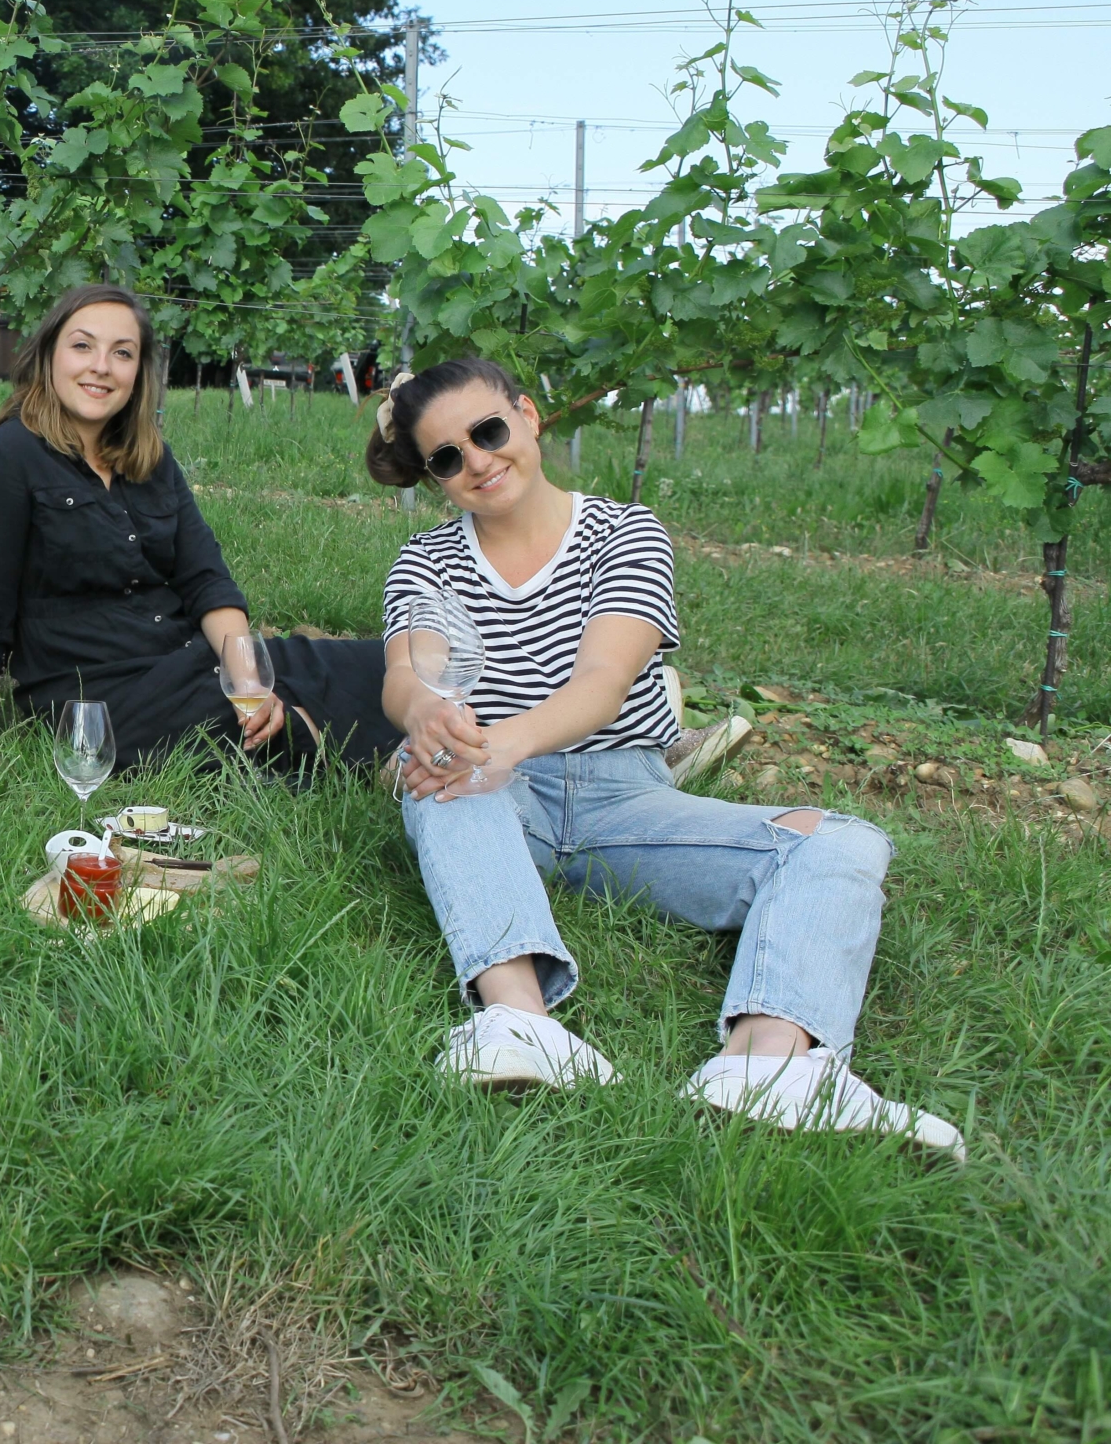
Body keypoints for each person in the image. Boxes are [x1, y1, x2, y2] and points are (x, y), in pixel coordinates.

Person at [371, 357, 960, 1154]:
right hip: (493, 798)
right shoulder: (427, 562)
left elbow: (602, 685)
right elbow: (407, 675)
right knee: (437, 779)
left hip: (628, 796)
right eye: (447, 456)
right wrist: (433, 718)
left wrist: (501, 743)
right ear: (434, 476)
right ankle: (519, 1022)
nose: (477, 460)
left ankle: (767, 1061)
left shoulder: (625, 533)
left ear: (529, 415)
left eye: (488, 431)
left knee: (840, 841)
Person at [0, 284, 397, 773]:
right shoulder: (6, 460)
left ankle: (391, 742)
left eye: (122, 353)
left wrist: (247, 683)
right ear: (49, 354)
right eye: (82, 346)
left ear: (138, 373)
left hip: (189, 658)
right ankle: (375, 761)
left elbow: (206, 581)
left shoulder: (149, 457)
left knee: (379, 667)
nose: (101, 365)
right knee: (251, 726)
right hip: (102, 699)